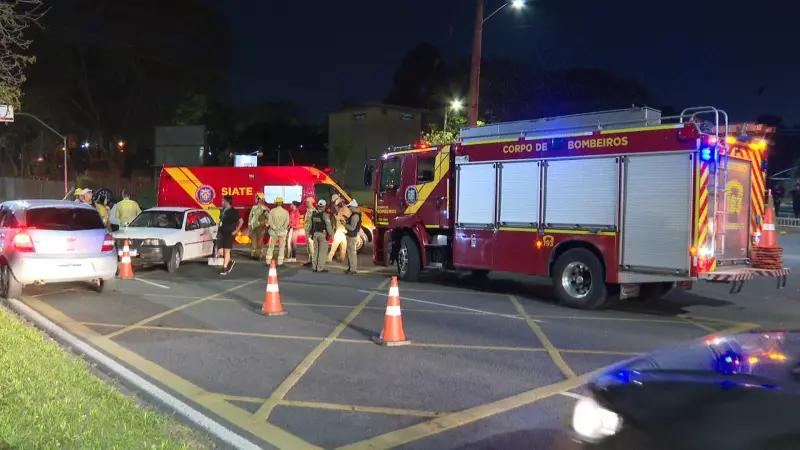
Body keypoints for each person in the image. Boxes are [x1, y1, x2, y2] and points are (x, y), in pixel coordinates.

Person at [217, 195, 243, 275]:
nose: (222, 202)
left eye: (223, 201)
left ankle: (225, 268)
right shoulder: (223, 210)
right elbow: (220, 220)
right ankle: (229, 261)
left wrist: (236, 231)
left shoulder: (233, 211)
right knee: (220, 251)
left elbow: (241, 221)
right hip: (221, 232)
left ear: (227, 202)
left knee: (227, 250)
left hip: (229, 233)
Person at [310, 199, 333, 273]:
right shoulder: (325, 215)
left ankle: (314, 267)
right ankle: (320, 268)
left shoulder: (313, 214)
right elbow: (328, 225)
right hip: (322, 235)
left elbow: (311, 225)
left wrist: (311, 233)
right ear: (324, 206)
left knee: (316, 251)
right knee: (322, 252)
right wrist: (331, 235)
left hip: (315, 234)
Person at [265, 196, 290, 266]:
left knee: (271, 246)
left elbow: (270, 221)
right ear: (282, 203)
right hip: (282, 232)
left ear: (275, 203)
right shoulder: (286, 212)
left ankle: (268, 261)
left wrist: (275, 228)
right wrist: (281, 228)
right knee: (281, 247)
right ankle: (280, 262)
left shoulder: (272, 211)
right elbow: (287, 222)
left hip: (273, 232)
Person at [328, 196, 349, 262]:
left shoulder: (343, 209)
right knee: (343, 246)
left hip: (340, 231)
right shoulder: (343, 208)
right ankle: (340, 258)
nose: (336, 205)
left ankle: (329, 258)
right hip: (342, 231)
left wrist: (335, 214)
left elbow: (340, 219)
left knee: (335, 246)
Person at [343, 199, 362, 274]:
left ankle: (353, 269)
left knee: (352, 253)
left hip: (352, 236)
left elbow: (352, 227)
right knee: (350, 253)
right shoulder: (355, 215)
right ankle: (351, 268)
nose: (349, 208)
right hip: (351, 235)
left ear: (354, 207)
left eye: (350, 207)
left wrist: (344, 224)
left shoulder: (355, 216)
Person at [248, 194, 269, 260]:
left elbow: (269, 218)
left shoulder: (265, 209)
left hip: (260, 228)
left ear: (260, 199)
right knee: (253, 241)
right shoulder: (254, 207)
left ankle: (259, 255)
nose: (255, 199)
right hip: (253, 227)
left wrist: (266, 225)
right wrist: (249, 226)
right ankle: (254, 254)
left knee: (260, 241)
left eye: (256, 198)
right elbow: (250, 217)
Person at [302, 197, 316, 267]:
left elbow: (314, 223)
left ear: (311, 202)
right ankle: (310, 260)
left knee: (311, 246)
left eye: (307, 202)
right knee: (309, 247)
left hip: (310, 232)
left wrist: (312, 232)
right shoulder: (308, 210)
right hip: (307, 231)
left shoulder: (313, 211)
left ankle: (313, 261)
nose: (306, 203)